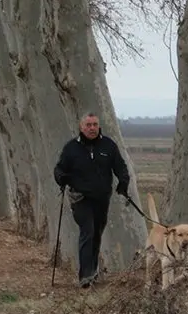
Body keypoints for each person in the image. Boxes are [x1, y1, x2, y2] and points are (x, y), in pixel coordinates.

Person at [53, 112, 131, 288]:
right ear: (81, 127)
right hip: (80, 198)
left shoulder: (108, 146)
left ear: (98, 126)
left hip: (102, 198)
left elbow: (120, 167)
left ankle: (93, 273)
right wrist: (61, 178)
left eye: (95, 124)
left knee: (96, 235)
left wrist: (123, 182)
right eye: (88, 125)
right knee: (87, 232)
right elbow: (59, 168)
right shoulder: (71, 148)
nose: (92, 128)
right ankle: (85, 277)